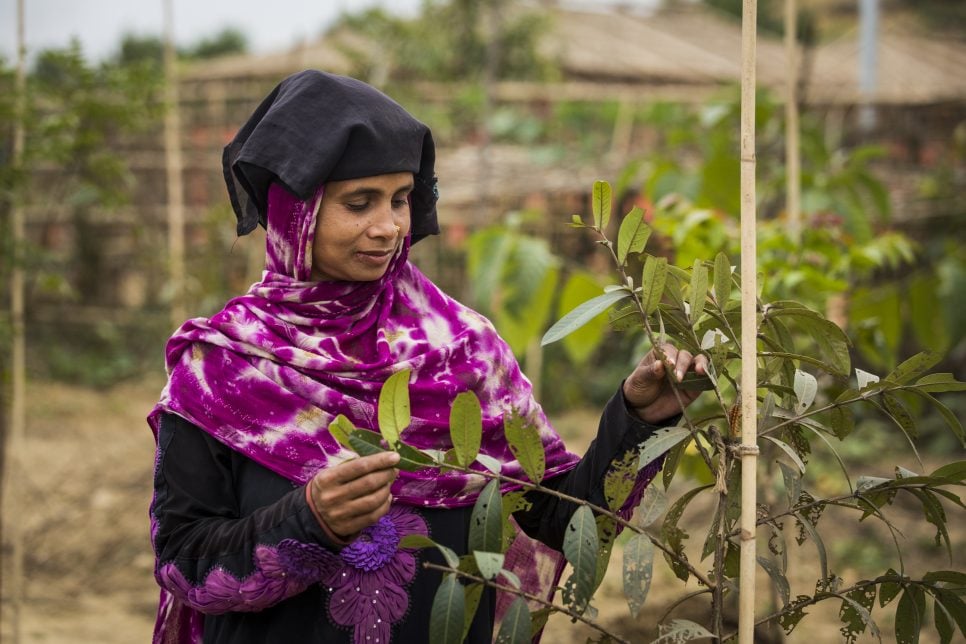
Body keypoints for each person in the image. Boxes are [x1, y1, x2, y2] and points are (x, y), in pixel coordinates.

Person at [148, 69, 707, 644]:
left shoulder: (465, 351)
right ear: (297, 213)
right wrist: (306, 523)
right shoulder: (222, 369)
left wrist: (638, 421)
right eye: (359, 203)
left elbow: (566, 525)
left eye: (399, 199)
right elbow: (182, 562)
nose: (388, 227)